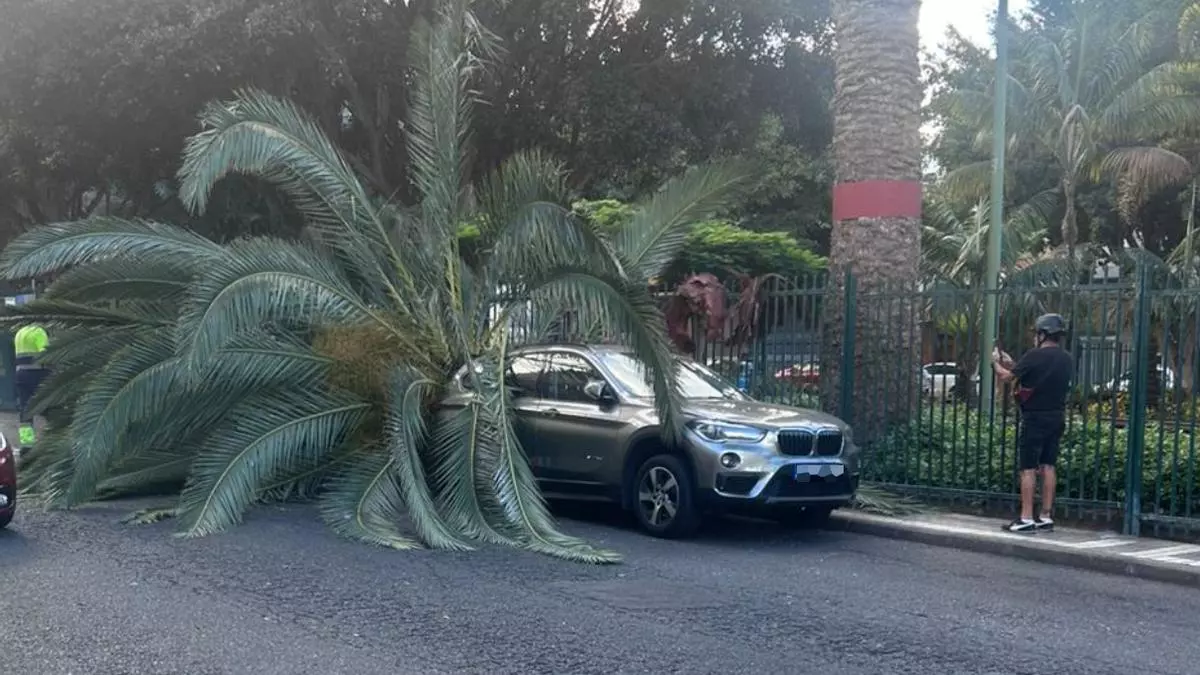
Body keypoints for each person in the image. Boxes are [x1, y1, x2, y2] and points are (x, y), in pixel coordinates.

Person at [991, 313, 1074, 533]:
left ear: (1042, 333)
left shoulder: (1034, 355)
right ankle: (1045, 516)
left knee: (1028, 468)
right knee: (1048, 466)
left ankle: (1026, 518)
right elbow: (1036, 373)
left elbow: (1007, 377)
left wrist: (995, 363)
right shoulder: (1066, 358)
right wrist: (1014, 365)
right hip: (1057, 416)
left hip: (1034, 417)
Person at [13, 322, 49, 448]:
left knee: (25, 411)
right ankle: (54, 439)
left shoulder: (20, 333)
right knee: (50, 404)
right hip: (37, 373)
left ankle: (26, 445)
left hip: (20, 374)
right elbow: (47, 354)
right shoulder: (38, 332)